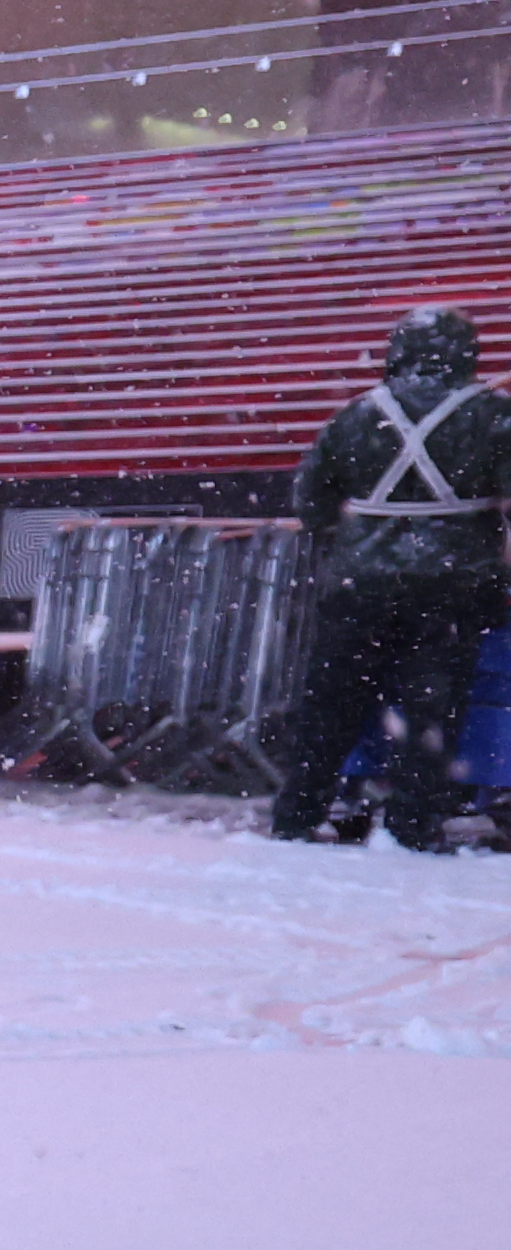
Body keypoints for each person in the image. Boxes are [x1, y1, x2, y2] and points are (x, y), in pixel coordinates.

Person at [271, 305, 507, 847]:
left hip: (358, 585)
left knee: (330, 704)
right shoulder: (494, 415)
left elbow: (312, 502)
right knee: (431, 707)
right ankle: (414, 822)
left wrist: (359, 538)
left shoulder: (355, 415)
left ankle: (298, 814)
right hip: (451, 584)